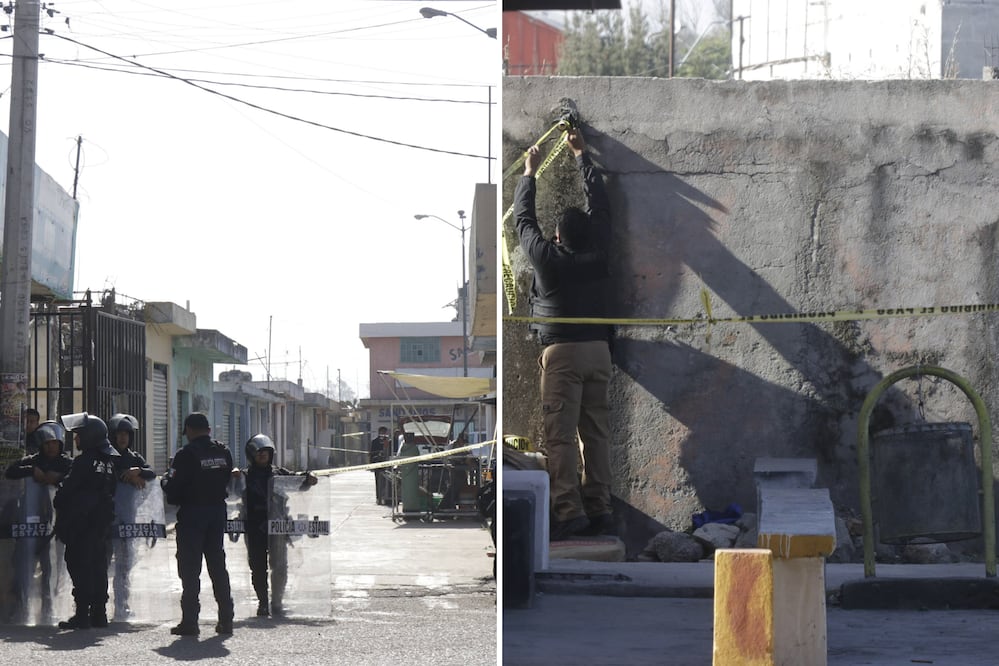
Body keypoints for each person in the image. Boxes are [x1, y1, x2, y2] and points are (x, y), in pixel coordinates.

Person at [514, 126, 616, 541]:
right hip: (599, 351)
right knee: (596, 435)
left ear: (557, 237)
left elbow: (523, 221)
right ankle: (600, 506)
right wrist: (581, 155)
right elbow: (602, 208)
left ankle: (570, 512)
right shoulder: (600, 253)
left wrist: (529, 172)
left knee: (560, 438)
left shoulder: (547, 259)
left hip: (562, 355)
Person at [162, 412, 235, 636]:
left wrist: (165, 479)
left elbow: (172, 487)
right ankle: (226, 619)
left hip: (193, 514)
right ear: (209, 430)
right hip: (217, 512)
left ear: (190, 430)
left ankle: (190, 622)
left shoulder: (185, 454)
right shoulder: (223, 451)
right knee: (217, 566)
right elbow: (226, 479)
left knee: (190, 569)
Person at [234, 434, 318, 618]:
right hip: (254, 526)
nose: (262, 455)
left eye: (266, 452)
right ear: (251, 454)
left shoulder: (279, 473)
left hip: (278, 525)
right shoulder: (244, 475)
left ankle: (277, 602)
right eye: (259, 452)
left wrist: (308, 477)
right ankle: (263, 602)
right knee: (257, 566)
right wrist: (233, 476)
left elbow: (297, 481)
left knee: (279, 565)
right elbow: (232, 489)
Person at [52, 413, 119, 629]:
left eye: (79, 434)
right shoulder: (108, 461)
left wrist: (59, 498)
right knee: (98, 566)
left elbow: (67, 490)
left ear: (89, 436)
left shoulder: (84, 461)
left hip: (81, 523)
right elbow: (112, 489)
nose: (76, 439)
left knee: (80, 566)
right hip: (100, 523)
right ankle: (99, 614)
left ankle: (82, 614)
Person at [5, 420, 73, 624]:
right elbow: (11, 471)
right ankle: (23, 609)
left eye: (54, 443)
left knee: (51, 568)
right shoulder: (32, 460)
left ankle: (49, 609)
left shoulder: (67, 463)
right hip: (31, 523)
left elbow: (76, 479)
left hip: (57, 525)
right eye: (47, 443)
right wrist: (32, 471)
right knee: (24, 566)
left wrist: (58, 478)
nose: (51, 447)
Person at [107, 413, 156, 621]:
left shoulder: (134, 458)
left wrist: (138, 471)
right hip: (107, 519)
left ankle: (122, 605)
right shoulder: (106, 455)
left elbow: (151, 473)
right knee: (103, 563)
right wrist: (126, 475)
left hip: (128, 519)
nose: (123, 437)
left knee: (124, 566)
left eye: (126, 434)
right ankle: (98, 605)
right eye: (119, 434)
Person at [368, 427, 391, 505]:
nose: (383, 434)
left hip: (387, 464)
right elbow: (371, 453)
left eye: (384, 432)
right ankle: (378, 497)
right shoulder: (374, 442)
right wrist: (372, 464)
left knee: (387, 482)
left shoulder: (388, 441)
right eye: (382, 432)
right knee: (378, 481)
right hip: (377, 464)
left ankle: (386, 497)